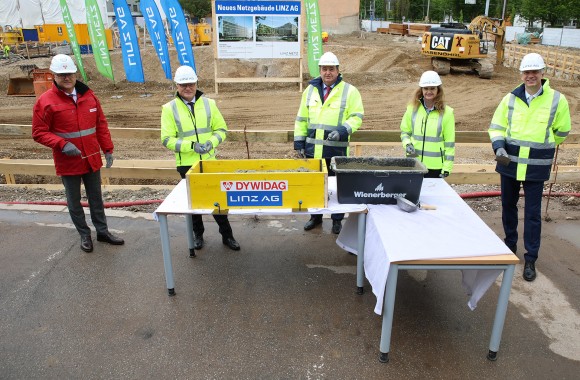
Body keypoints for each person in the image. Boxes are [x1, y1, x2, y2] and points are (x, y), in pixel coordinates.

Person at [489, 53, 571, 282]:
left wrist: (545, 145)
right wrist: (499, 147)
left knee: (533, 214)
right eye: (527, 72)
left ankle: (531, 258)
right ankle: (510, 246)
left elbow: (562, 131)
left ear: (543, 73)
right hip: (510, 164)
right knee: (508, 206)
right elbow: (496, 126)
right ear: (522, 74)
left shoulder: (557, 99)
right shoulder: (510, 99)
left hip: (536, 167)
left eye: (534, 72)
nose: (530, 76)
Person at [32, 54, 124, 253]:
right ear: (54, 76)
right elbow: (39, 132)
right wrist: (61, 144)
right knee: (74, 201)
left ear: (75, 74)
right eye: (62, 74)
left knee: (96, 198)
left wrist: (107, 149)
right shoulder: (46, 101)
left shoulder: (89, 96)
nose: (67, 78)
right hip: (68, 161)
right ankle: (84, 234)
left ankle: (102, 231)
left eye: (70, 74)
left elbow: (100, 125)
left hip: (91, 158)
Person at [161, 65, 240, 252]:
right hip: (186, 164)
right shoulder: (169, 109)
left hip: (209, 162)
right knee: (193, 203)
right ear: (177, 86)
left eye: (191, 84)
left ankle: (227, 235)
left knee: (218, 200)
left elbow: (221, 130)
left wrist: (211, 143)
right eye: (183, 85)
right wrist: (191, 146)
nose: (187, 88)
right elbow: (166, 139)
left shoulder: (208, 104)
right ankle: (198, 235)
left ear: (196, 83)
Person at [294, 51, 364, 235]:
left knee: (337, 186)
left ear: (338, 70)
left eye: (331, 69)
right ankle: (315, 217)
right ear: (320, 70)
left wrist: (342, 131)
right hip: (313, 150)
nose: (327, 73)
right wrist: (299, 142)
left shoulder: (350, 91)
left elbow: (357, 117)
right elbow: (301, 119)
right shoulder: (310, 91)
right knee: (315, 185)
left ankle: (336, 220)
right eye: (324, 69)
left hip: (336, 150)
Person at [400, 70, 455, 178]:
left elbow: (449, 143)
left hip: (436, 167)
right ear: (421, 89)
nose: (428, 91)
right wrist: (407, 144)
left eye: (432, 88)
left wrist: (447, 167)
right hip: (414, 164)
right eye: (426, 88)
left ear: (438, 90)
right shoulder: (412, 109)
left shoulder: (447, 113)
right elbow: (405, 132)